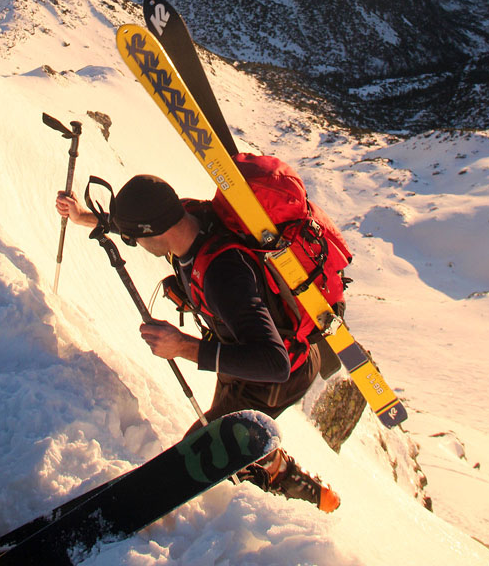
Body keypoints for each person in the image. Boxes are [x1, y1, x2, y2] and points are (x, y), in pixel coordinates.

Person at [56, 174, 340, 512]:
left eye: (135, 238)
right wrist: (83, 216)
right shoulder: (188, 219)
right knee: (229, 438)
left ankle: (283, 512)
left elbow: (274, 363)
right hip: (238, 359)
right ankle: (280, 470)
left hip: (275, 377)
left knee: (200, 455)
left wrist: (183, 347)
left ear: (152, 232)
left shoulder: (223, 274)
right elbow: (139, 221)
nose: (133, 242)